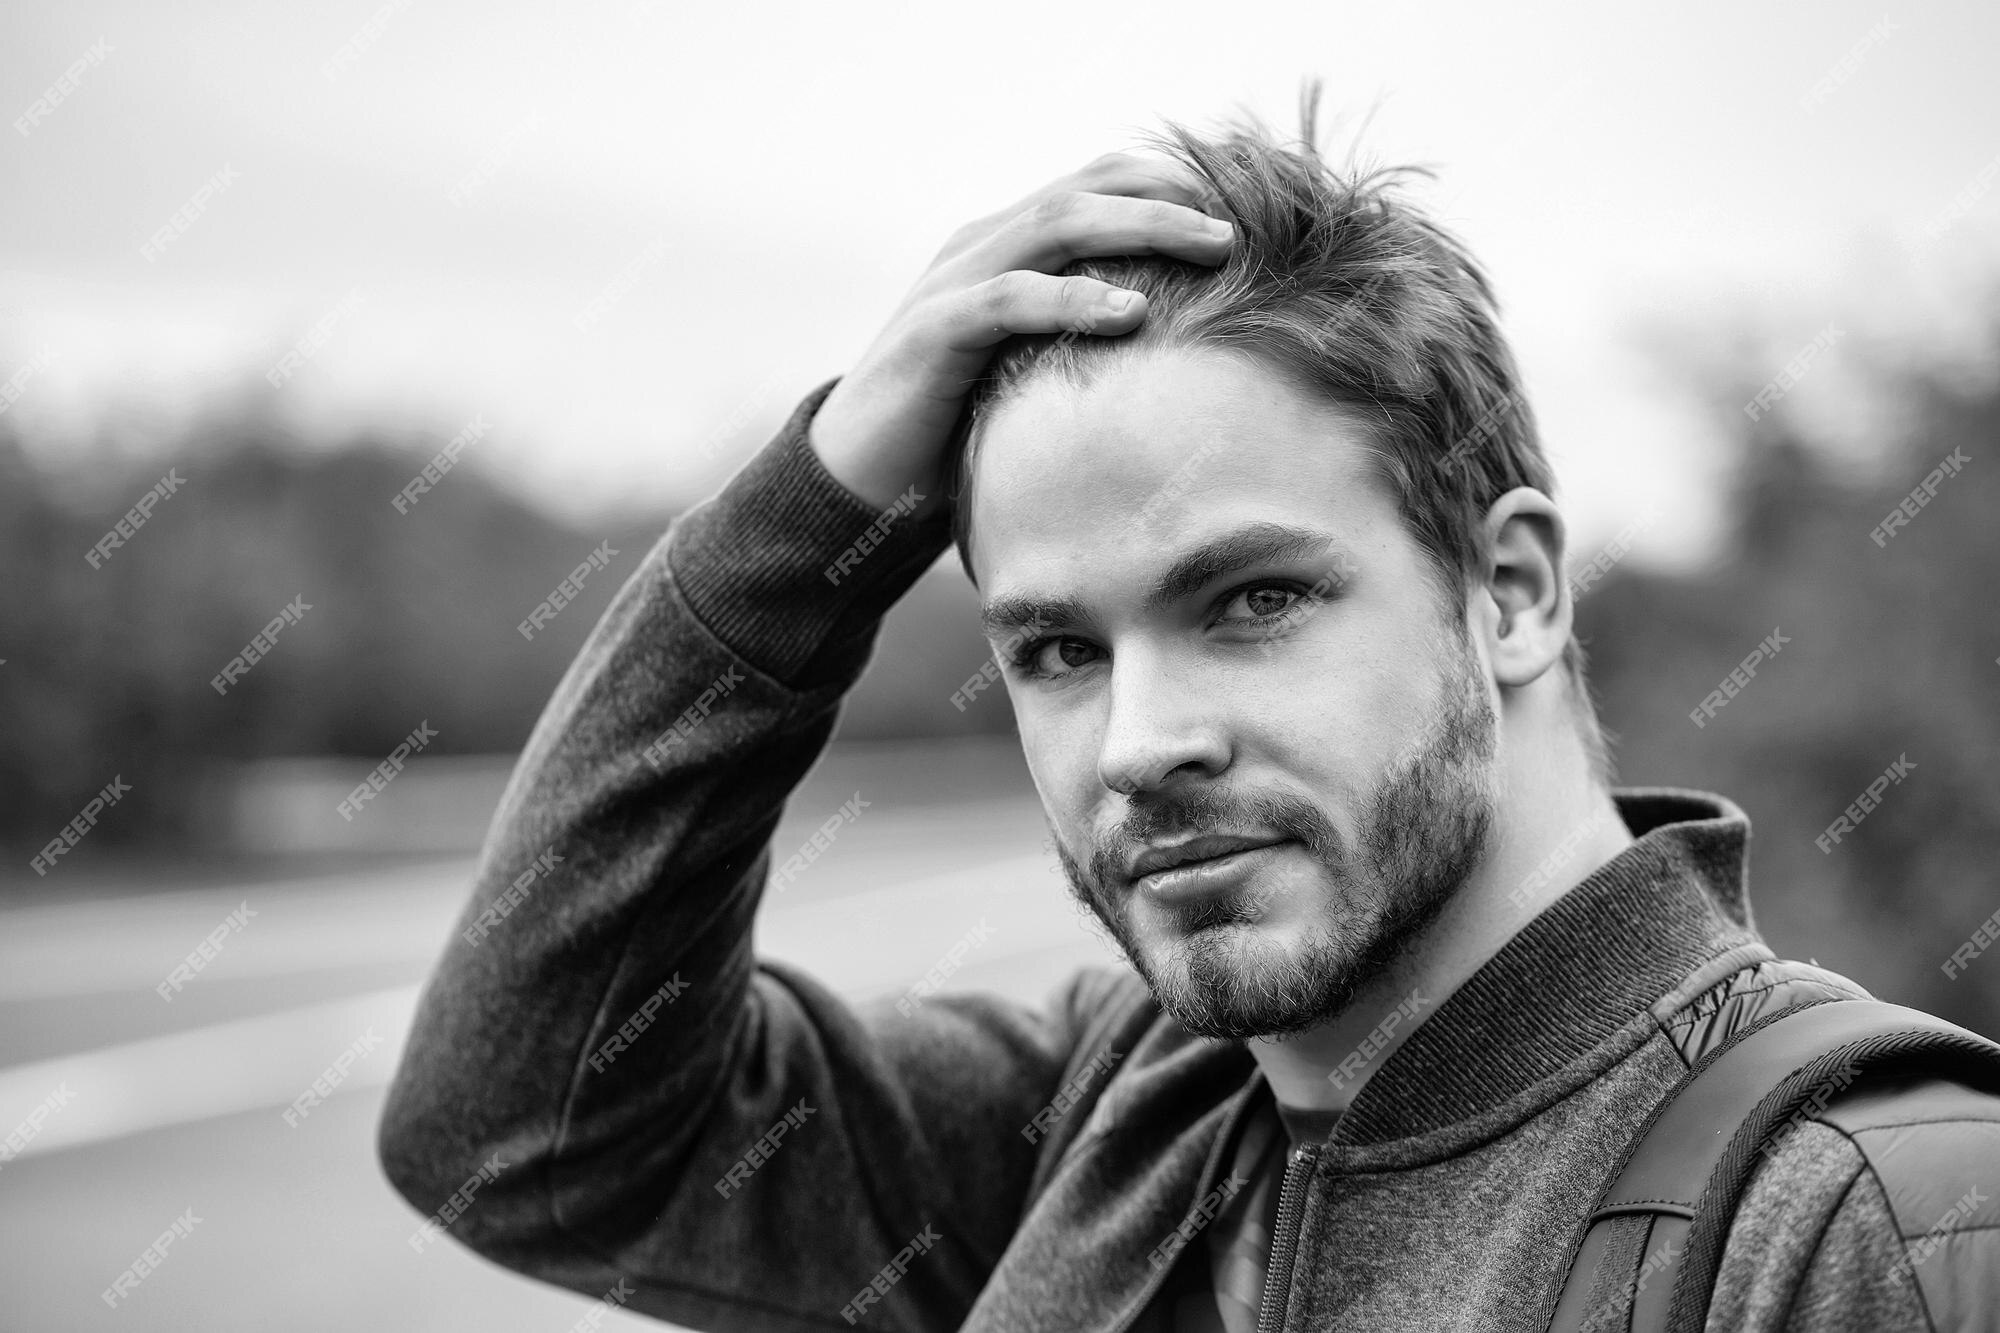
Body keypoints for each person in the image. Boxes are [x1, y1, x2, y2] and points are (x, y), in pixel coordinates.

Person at [378, 95, 1998, 1331]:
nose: (1143, 743)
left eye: (1254, 601)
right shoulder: (1102, 1117)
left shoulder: (1873, 1214)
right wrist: (815, 510)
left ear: (1506, 591)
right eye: (1059, 651)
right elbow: (518, 1130)